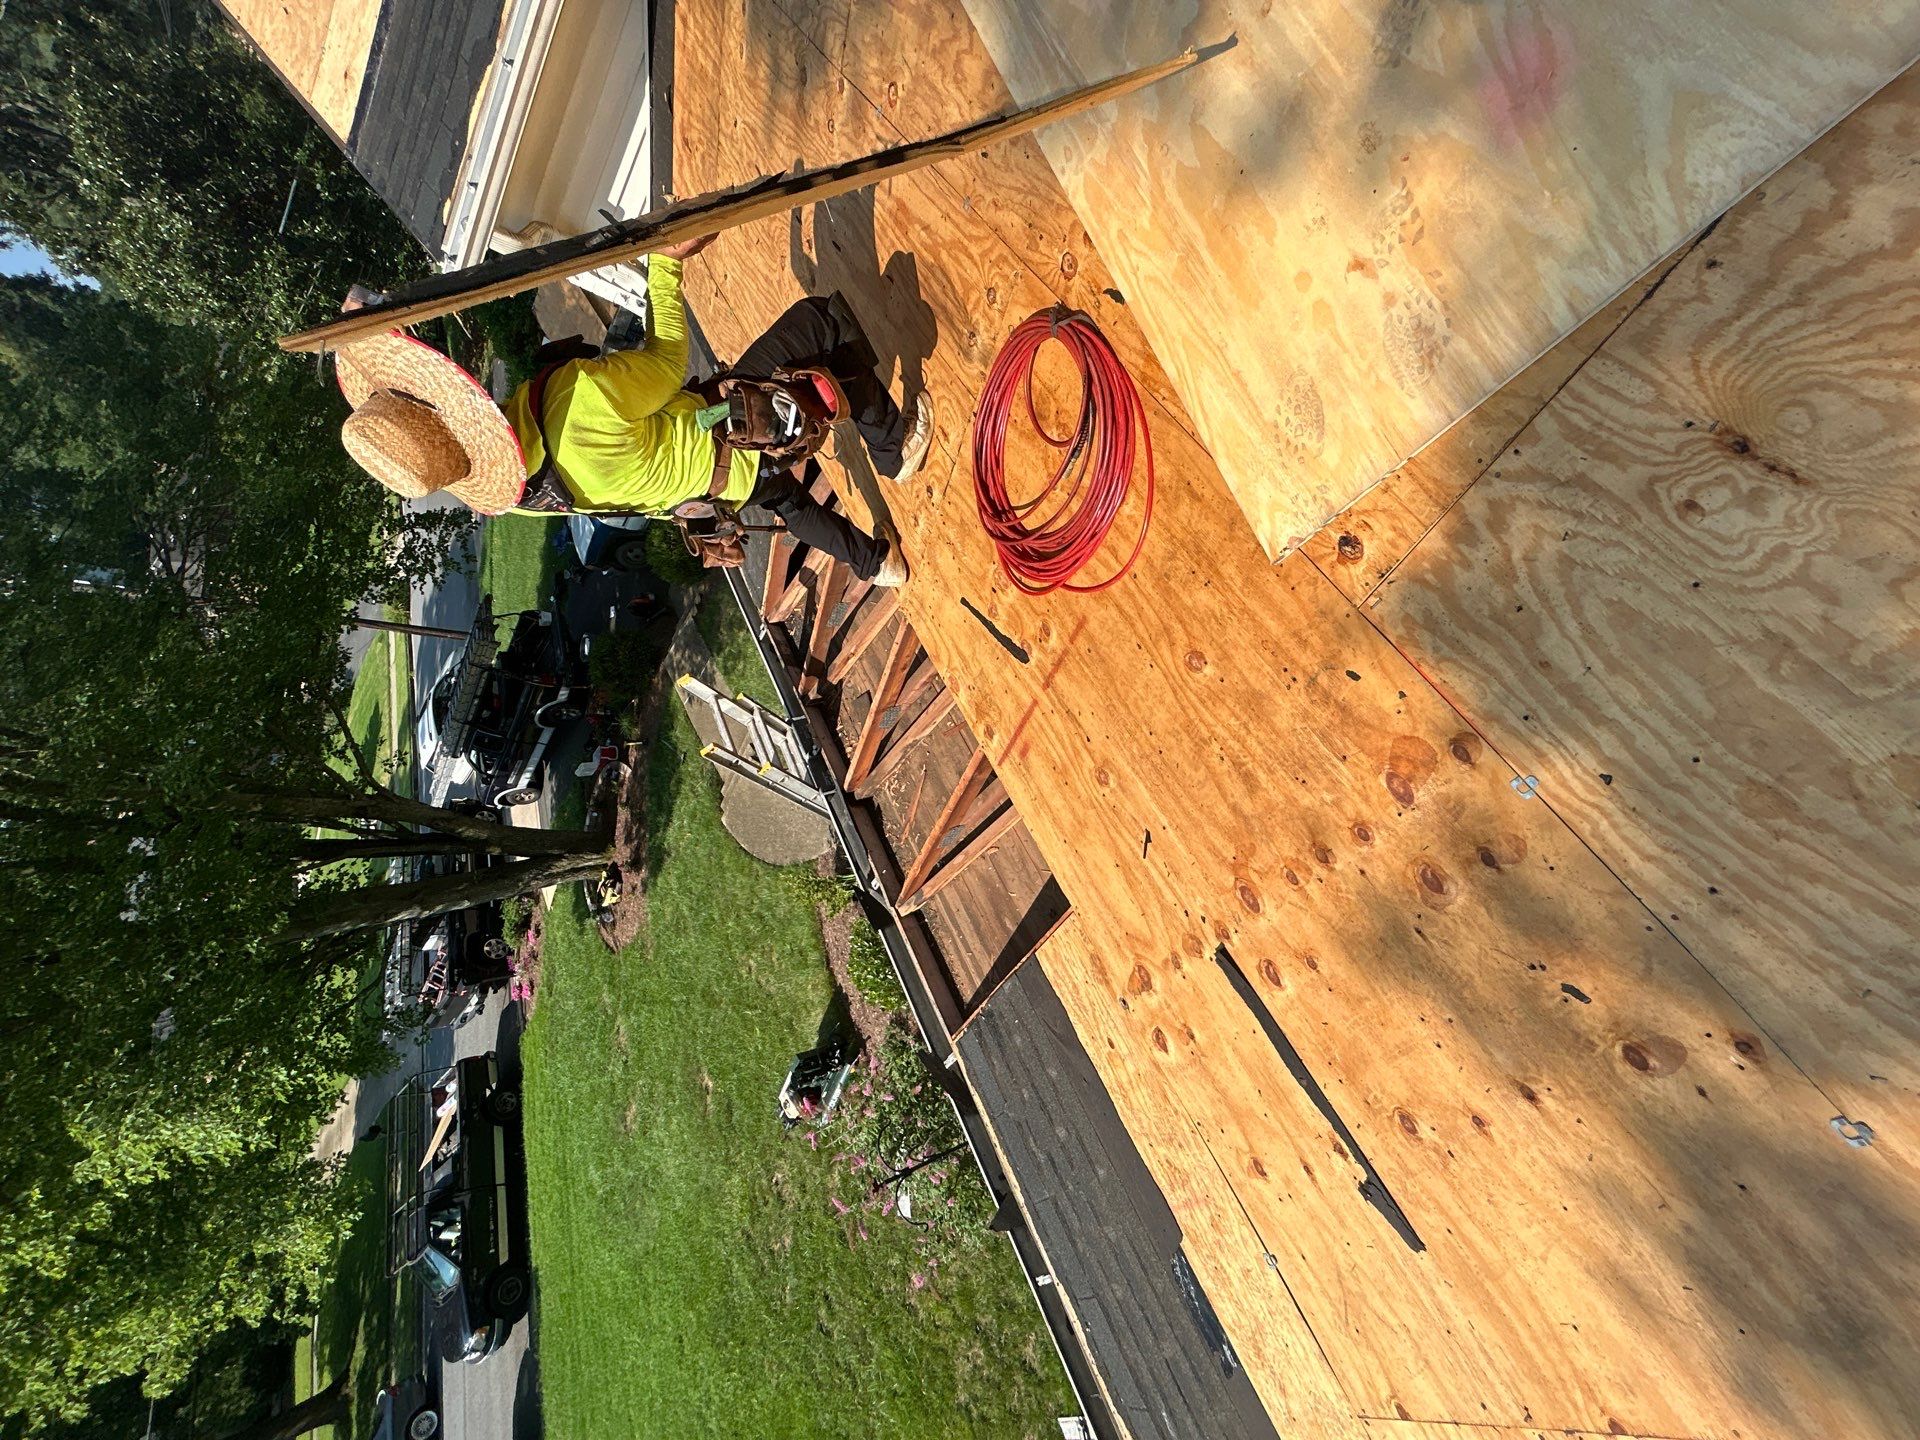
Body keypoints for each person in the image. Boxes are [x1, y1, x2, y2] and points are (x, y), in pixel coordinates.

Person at [333, 234, 932, 585]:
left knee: (786, 499)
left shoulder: (513, 494)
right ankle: (892, 445)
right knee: (817, 323)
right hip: (726, 431)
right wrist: (666, 264)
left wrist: (377, 318)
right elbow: (670, 358)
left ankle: (879, 564)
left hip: (710, 487)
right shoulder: (569, 401)